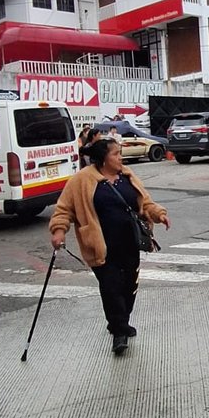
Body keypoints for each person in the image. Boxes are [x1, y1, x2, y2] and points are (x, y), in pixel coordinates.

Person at [49, 138, 170, 356]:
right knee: (111, 288)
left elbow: (146, 202)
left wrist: (159, 214)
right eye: (116, 154)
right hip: (100, 247)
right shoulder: (82, 180)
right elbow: (64, 209)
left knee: (129, 288)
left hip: (130, 243)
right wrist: (59, 231)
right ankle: (119, 332)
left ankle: (120, 321)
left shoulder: (127, 176)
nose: (120, 158)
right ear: (103, 158)